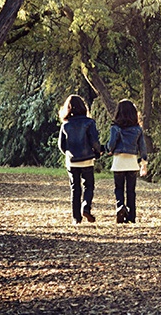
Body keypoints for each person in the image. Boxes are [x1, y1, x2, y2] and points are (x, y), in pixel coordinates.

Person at [58, 95, 103, 225]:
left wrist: (69, 153)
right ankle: (86, 206)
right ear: (84, 107)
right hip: (87, 159)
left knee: (75, 188)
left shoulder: (65, 125)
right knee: (89, 186)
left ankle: (76, 218)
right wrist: (98, 151)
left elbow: (61, 146)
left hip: (72, 161)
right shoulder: (89, 122)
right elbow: (94, 141)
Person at [106, 99, 148, 223]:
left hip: (119, 162)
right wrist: (144, 164)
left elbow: (111, 144)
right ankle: (131, 216)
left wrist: (109, 149)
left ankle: (120, 206)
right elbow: (143, 148)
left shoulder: (115, 128)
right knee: (131, 190)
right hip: (132, 163)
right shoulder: (138, 129)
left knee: (118, 188)